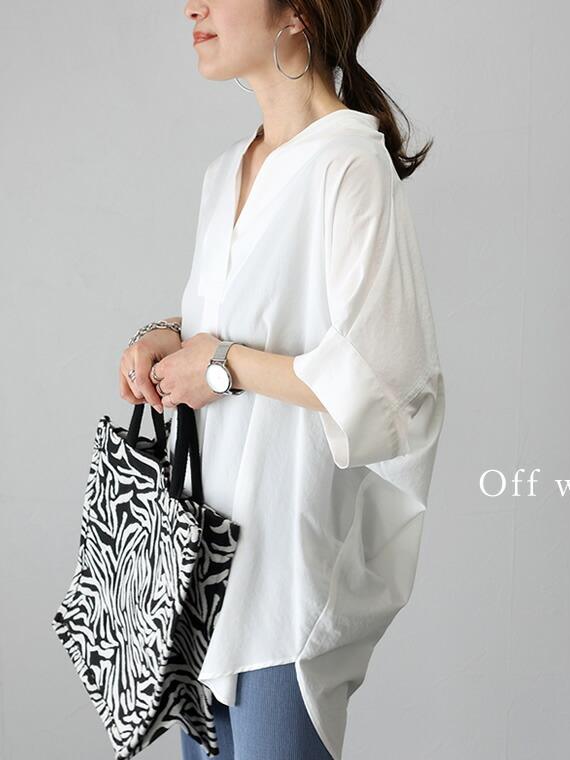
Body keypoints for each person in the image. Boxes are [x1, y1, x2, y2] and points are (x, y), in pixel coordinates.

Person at [118, 0, 446, 757]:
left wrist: (223, 365)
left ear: (297, 12)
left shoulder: (350, 165)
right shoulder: (225, 172)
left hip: (284, 583)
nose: (193, 6)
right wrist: (169, 338)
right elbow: (249, 314)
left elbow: (387, 379)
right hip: (200, 572)